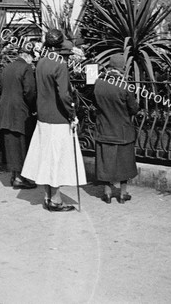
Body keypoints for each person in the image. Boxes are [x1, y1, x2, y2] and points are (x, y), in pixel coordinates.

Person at [21, 29, 87, 212]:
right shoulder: (60, 64)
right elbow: (64, 95)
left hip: (43, 117)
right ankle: (56, 200)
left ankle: (48, 196)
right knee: (57, 160)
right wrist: (73, 115)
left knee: (46, 158)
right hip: (58, 118)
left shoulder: (41, 62)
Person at [94, 53, 139, 203]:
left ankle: (107, 193)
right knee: (124, 163)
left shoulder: (98, 84)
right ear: (122, 68)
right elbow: (133, 108)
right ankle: (122, 194)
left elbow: (94, 103)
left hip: (104, 130)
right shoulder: (124, 85)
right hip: (123, 132)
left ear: (109, 66)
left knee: (106, 162)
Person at [0, 46, 37, 189]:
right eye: (32, 57)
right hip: (19, 112)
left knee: (11, 144)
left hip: (5, 112)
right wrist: (33, 109)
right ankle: (19, 178)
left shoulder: (7, 67)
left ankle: (14, 175)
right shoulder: (26, 68)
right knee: (20, 145)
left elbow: (0, 88)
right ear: (27, 56)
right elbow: (29, 91)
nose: (33, 61)